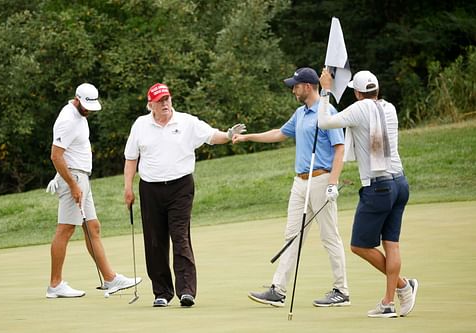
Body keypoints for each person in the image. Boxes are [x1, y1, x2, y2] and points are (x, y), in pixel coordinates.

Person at [233, 67, 350, 308]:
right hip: (300, 182)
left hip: (321, 180)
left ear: (308, 86)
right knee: (291, 237)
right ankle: (278, 290)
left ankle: (341, 290)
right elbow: (279, 133)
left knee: (329, 236)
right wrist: (247, 137)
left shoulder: (326, 111)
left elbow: (340, 147)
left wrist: (333, 182)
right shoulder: (300, 113)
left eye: (295, 86)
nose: (293, 90)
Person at [123, 83, 246, 308]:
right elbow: (131, 158)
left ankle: (186, 291)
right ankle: (162, 292)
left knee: (180, 236)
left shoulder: (186, 121)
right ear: (150, 104)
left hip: (180, 187)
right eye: (159, 101)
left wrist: (228, 135)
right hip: (150, 188)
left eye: (167, 99)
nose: (165, 104)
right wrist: (128, 188)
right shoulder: (141, 125)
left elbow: (211, 136)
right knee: (155, 241)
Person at [318, 69, 418, 318]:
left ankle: (403, 285)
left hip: (379, 187)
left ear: (357, 92)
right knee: (391, 244)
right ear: (377, 90)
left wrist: (324, 91)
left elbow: (324, 122)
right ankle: (388, 301)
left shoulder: (360, 108)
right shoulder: (390, 107)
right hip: (400, 183)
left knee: (359, 246)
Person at [45, 83, 141, 298]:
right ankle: (55, 284)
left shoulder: (80, 116)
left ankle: (110, 279)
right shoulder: (68, 119)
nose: (89, 110)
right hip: (74, 178)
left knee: (93, 227)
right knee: (66, 229)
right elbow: (55, 155)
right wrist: (71, 184)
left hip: (80, 178)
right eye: (86, 105)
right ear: (76, 99)